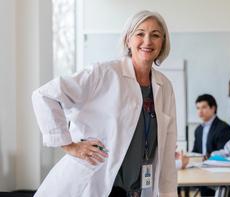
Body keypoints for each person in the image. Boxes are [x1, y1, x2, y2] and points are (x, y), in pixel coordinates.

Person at [32, 10, 177, 197]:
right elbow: (45, 95)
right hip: (92, 185)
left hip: (136, 190)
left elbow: (166, 150)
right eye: (140, 33)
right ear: (128, 40)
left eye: (155, 35)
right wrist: (69, 145)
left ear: (163, 42)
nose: (147, 41)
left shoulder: (164, 86)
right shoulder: (105, 73)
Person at [192, 94, 230, 196]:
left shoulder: (223, 128)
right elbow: (195, 152)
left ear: (213, 108)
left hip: (218, 174)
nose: (200, 111)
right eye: (198, 108)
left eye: (204, 107)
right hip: (202, 172)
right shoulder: (199, 129)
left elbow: (225, 154)